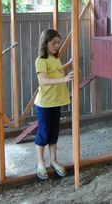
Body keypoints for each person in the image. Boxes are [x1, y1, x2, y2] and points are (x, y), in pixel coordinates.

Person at [34, 29, 73, 180]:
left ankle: (54, 161)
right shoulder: (40, 61)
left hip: (57, 101)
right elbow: (43, 80)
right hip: (45, 103)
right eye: (54, 43)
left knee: (54, 133)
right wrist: (63, 80)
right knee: (43, 134)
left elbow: (55, 72)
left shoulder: (55, 59)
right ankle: (40, 163)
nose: (57, 45)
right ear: (45, 44)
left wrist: (67, 65)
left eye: (58, 42)